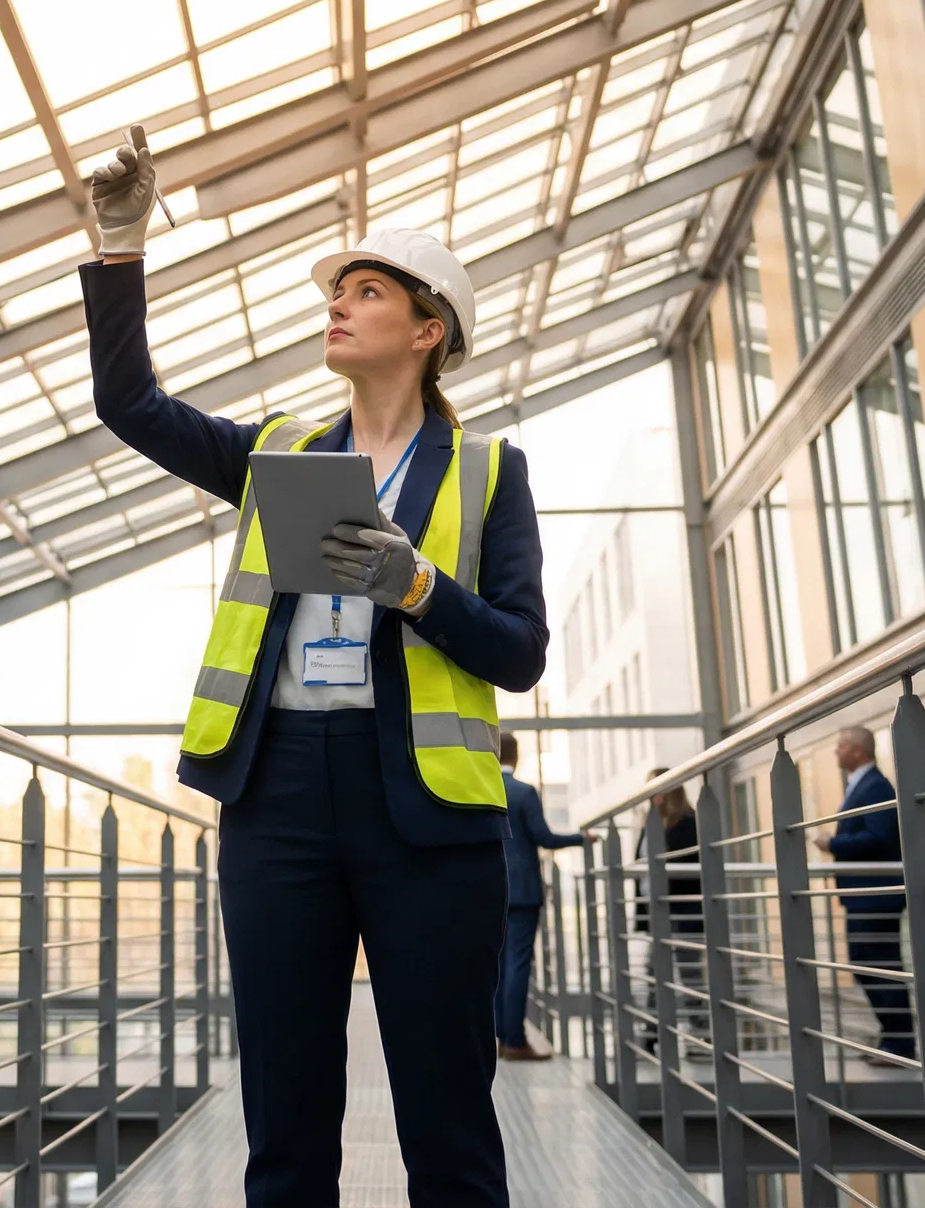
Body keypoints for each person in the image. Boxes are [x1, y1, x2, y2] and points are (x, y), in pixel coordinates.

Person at [82, 127, 548, 1207]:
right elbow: (129, 406)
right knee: (283, 1124)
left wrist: (419, 588)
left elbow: (520, 652)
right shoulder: (279, 452)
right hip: (277, 796)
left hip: (429, 817)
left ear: (430, 330)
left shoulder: (488, 471)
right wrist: (118, 245)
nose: (338, 303)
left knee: (449, 1127)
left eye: (368, 291)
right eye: (339, 290)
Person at [812, 726, 914, 1061]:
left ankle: (899, 1044)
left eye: (840, 746)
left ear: (858, 751)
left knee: (881, 967)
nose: (836, 752)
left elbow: (878, 837)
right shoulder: (864, 784)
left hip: (875, 896)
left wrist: (832, 844)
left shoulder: (874, 786)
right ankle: (893, 1039)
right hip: (864, 895)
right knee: (864, 964)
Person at [496, 730, 588, 1061]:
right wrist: (581, 839)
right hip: (523, 892)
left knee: (499, 965)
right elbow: (545, 838)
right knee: (519, 964)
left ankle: (501, 1037)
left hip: (493, 889)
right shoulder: (523, 792)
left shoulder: (484, 788)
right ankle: (515, 1040)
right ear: (516, 756)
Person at [632, 771, 705, 1052]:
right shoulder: (651, 823)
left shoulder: (686, 823)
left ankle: (700, 1034)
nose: (651, 794)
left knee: (689, 974)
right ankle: (651, 1033)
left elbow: (687, 867)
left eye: (656, 788)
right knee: (655, 972)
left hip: (681, 911)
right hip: (657, 913)